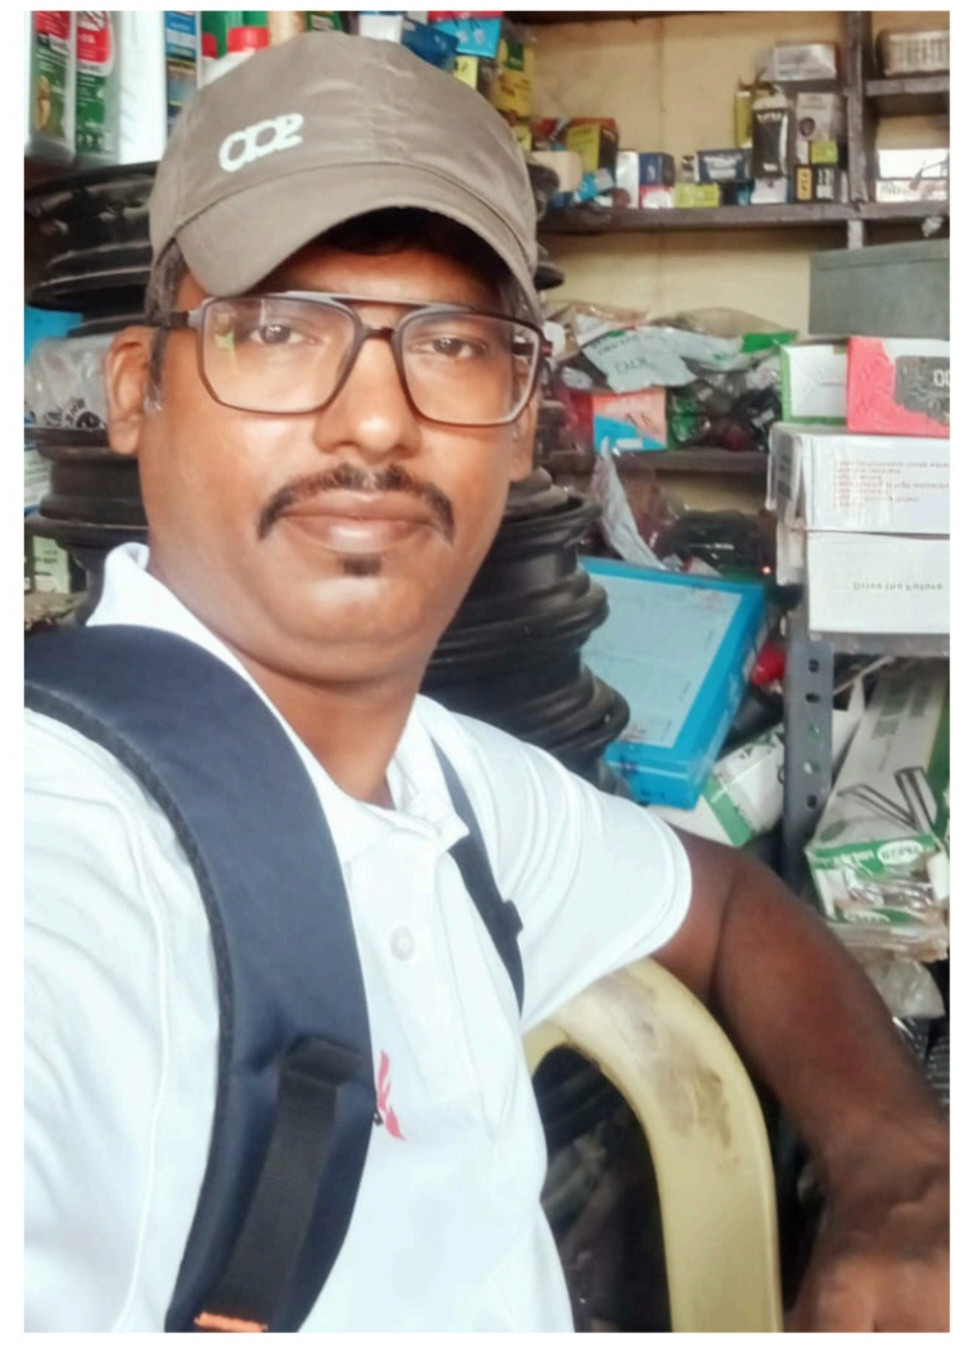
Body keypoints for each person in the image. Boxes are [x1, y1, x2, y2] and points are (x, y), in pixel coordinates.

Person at [24, 30, 948, 1334]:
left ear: (521, 427)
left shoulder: (450, 790)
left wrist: (905, 1176)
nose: (375, 418)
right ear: (136, 390)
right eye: (278, 329)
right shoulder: (63, 859)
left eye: (452, 343)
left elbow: (733, 906)